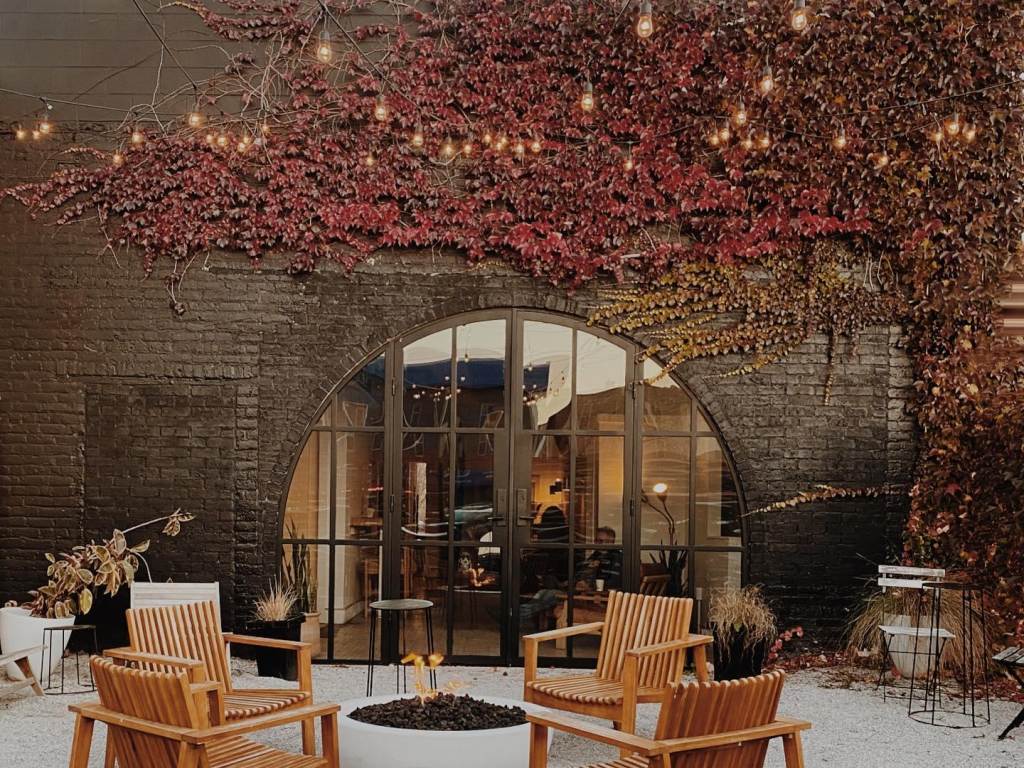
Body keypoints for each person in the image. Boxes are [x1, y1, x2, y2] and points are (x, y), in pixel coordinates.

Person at [574, 526, 622, 591]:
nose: (597, 543)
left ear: (611, 542)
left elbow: (615, 582)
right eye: (596, 540)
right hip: (589, 596)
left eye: (601, 541)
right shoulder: (594, 556)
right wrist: (580, 582)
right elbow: (580, 574)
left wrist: (590, 587)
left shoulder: (619, 558)